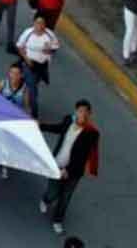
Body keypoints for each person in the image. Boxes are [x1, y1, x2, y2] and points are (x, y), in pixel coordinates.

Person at [39, 100, 100, 236]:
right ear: (76, 112)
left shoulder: (91, 133)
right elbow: (58, 128)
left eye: (85, 112)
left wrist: (68, 170)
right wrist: (41, 126)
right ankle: (46, 199)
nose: (82, 114)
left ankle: (57, 220)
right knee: (53, 192)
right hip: (57, 163)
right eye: (80, 111)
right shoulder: (68, 121)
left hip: (73, 172)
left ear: (90, 114)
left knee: (65, 197)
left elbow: (83, 156)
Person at [17, 13, 61, 117]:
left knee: (31, 86)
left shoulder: (49, 35)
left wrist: (49, 50)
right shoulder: (28, 33)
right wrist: (26, 59)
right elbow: (20, 47)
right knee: (32, 89)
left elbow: (56, 47)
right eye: (37, 23)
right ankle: (33, 113)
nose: (40, 26)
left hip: (42, 67)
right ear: (34, 23)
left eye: (42, 23)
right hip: (29, 65)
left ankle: (25, 101)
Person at [0, 63, 31, 178]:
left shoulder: (25, 89)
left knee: (8, 143)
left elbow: (27, 106)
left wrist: (29, 120)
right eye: (11, 72)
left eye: (16, 73)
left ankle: (5, 165)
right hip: (1, 117)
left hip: (14, 121)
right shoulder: (3, 83)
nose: (13, 76)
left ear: (21, 75)